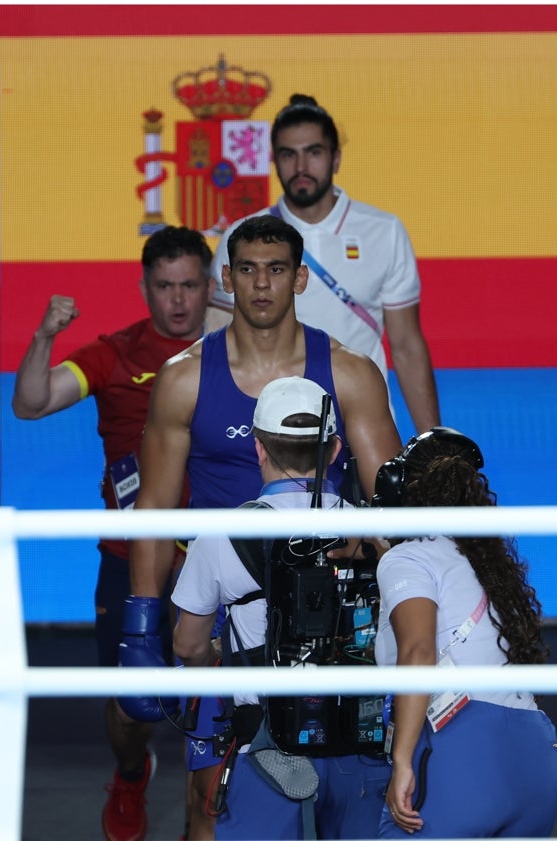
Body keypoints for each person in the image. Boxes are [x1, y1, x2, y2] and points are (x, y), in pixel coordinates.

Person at [127, 214, 402, 838]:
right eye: (247, 269)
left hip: (328, 624)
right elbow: (155, 508)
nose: (261, 285)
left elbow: (396, 506)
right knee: (209, 802)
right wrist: (141, 627)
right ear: (227, 277)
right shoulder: (185, 378)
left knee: (350, 801)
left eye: (276, 269)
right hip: (224, 617)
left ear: (300, 278)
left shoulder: (351, 372)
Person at [11, 225, 214, 841]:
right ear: (144, 289)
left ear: (209, 286)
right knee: (129, 710)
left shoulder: (240, 351)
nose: (177, 300)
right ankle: (131, 773)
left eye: (189, 285)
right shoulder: (114, 353)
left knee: (213, 701)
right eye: (164, 287)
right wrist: (45, 336)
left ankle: (198, 821)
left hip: (215, 556)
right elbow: (32, 402)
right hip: (131, 556)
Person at [172, 375, 390, 839]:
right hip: (364, 754)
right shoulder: (377, 537)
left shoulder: (219, 537)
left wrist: (218, 650)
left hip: (267, 755)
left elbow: (187, 645)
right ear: (333, 451)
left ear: (259, 449)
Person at [210, 93, 441, 434]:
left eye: (313, 152)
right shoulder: (242, 238)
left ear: (336, 158)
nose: (301, 167)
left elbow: (406, 346)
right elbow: (217, 342)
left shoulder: (383, 231)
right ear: (274, 160)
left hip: (364, 427)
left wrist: (432, 441)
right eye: (289, 155)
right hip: (269, 435)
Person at [372, 427, 557, 838]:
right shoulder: (487, 565)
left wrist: (402, 760)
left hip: (461, 747)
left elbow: (419, 650)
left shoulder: (406, 558)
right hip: (536, 753)